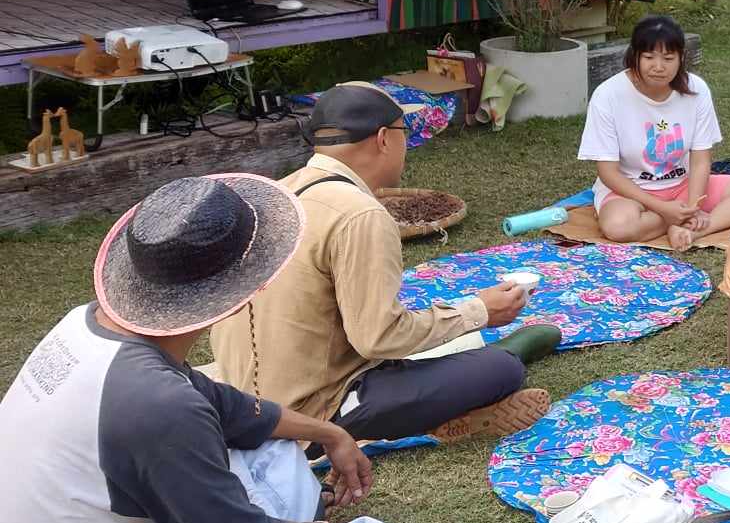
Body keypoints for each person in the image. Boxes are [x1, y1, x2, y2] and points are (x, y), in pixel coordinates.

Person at [0, 175, 433, 523]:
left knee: (274, 442)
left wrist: (329, 432)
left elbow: (224, 406)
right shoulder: (157, 405)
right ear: (236, 295)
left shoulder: (87, 325)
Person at [213, 83, 555, 445]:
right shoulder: (360, 214)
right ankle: (459, 406)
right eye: (405, 133)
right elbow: (378, 338)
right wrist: (479, 311)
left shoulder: (275, 192)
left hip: (242, 402)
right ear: (383, 138)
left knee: (447, 349)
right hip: (308, 414)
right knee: (501, 369)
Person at [581, 14, 730, 248]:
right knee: (618, 226)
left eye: (668, 58)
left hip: (685, 186)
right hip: (632, 192)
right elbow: (608, 173)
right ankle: (693, 219)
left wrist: (692, 206)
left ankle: (692, 230)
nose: (659, 67)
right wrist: (664, 209)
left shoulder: (696, 89)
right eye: (649, 57)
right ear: (634, 56)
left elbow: (700, 161)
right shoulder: (608, 95)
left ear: (681, 58)